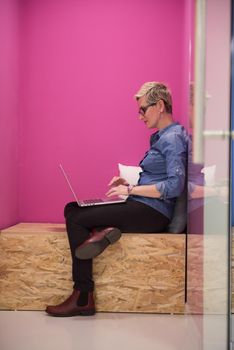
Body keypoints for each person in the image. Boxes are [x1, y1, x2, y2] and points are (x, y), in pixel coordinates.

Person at [45, 82, 188, 317]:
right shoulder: (163, 136)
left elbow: (174, 185)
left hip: (153, 213)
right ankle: (102, 231)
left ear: (160, 105)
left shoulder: (173, 139)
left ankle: (82, 296)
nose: (140, 116)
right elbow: (159, 176)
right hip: (143, 206)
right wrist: (128, 184)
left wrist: (131, 189)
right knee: (72, 208)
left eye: (143, 109)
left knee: (77, 218)